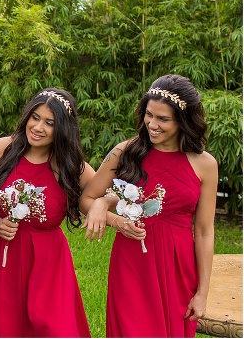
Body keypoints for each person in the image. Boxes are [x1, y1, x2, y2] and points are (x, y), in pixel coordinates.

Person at [80, 74, 217, 337]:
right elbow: (86, 198)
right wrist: (112, 216)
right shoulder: (125, 151)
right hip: (133, 262)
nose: (152, 124)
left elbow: (204, 231)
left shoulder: (205, 164)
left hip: (179, 267)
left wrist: (202, 293)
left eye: (163, 119)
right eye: (148, 115)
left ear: (184, 121)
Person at [0, 88, 94, 337]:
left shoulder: (72, 167)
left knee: (53, 327)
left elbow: (99, 197)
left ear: (62, 129)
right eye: (35, 117)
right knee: (0, 324)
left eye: (49, 123)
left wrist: (107, 208)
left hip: (48, 263)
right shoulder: (2, 149)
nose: (38, 127)